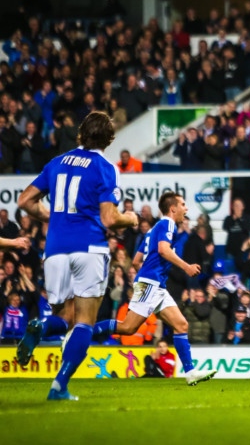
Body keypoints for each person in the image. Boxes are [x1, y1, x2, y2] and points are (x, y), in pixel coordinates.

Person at [16, 111, 139, 401]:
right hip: (89, 248)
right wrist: (130, 219)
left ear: (81, 133)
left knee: (64, 315)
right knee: (84, 321)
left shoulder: (57, 162)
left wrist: (49, 215)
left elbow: (24, 201)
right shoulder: (105, 167)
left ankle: (42, 326)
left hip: (55, 250)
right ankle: (59, 386)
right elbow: (109, 219)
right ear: (109, 140)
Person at [92, 191, 217, 386]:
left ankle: (190, 372)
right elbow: (163, 250)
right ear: (173, 208)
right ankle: (81, 334)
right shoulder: (167, 224)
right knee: (127, 327)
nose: (186, 208)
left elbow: (135, 261)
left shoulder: (152, 230)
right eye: (183, 204)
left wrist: (147, 275)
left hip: (156, 285)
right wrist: (186, 267)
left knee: (181, 324)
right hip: (151, 284)